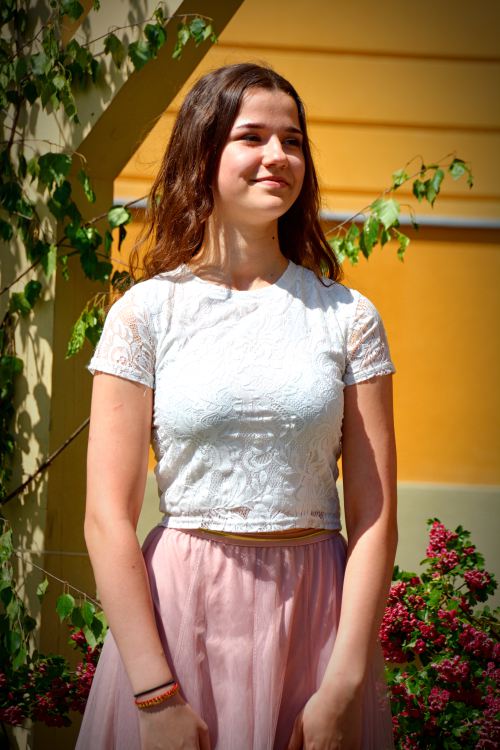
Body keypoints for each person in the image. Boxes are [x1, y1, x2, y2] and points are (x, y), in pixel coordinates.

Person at [77, 63, 397, 750]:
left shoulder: (349, 318)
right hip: (178, 623)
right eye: (252, 136)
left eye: (294, 140)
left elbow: (375, 519)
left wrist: (343, 686)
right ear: (204, 152)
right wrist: (155, 697)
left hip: (317, 626)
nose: (279, 155)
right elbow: (106, 517)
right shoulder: (144, 315)